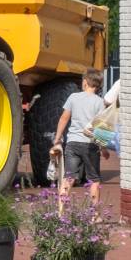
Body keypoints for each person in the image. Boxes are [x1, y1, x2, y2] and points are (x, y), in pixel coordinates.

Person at [51, 68, 106, 202]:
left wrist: (57, 139)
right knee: (94, 180)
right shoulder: (100, 102)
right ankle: (95, 215)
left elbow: (64, 118)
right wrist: (103, 148)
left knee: (68, 178)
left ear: (85, 82)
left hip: (73, 143)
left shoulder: (73, 97)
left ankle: (60, 212)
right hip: (90, 145)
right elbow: (100, 128)